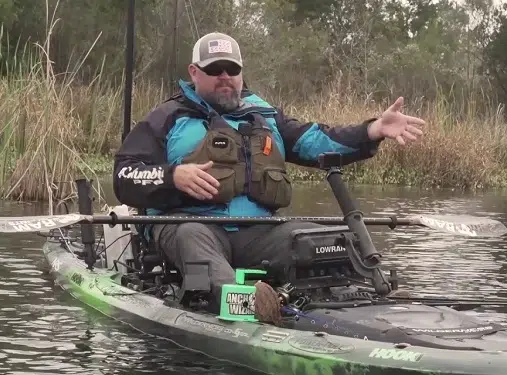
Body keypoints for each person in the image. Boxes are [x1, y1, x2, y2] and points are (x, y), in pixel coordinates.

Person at [112, 32, 426, 314]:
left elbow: (317, 141)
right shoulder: (166, 118)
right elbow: (125, 174)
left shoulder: (264, 116)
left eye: (232, 70)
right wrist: (173, 177)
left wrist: (373, 130)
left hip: (259, 232)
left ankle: (371, 300)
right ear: (194, 73)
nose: (225, 77)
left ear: (241, 73)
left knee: (324, 238)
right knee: (191, 237)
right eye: (214, 70)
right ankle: (249, 305)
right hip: (192, 226)